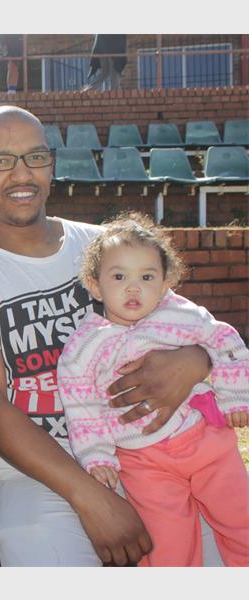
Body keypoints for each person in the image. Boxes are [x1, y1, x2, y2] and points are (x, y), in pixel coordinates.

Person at [0, 105, 219, 566]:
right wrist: (91, 497)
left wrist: (195, 359)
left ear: (51, 165)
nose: (22, 174)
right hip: (36, 472)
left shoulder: (104, 245)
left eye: (35, 157)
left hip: (147, 449)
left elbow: (188, 326)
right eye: (0, 160)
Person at [57, 213, 249, 566]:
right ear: (95, 285)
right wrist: (97, 456)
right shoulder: (84, 347)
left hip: (207, 442)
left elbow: (225, 340)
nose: (133, 288)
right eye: (119, 277)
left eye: (147, 277)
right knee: (167, 548)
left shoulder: (180, 314)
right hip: (143, 461)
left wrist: (235, 395)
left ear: (164, 284)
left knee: (242, 522)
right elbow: (81, 406)